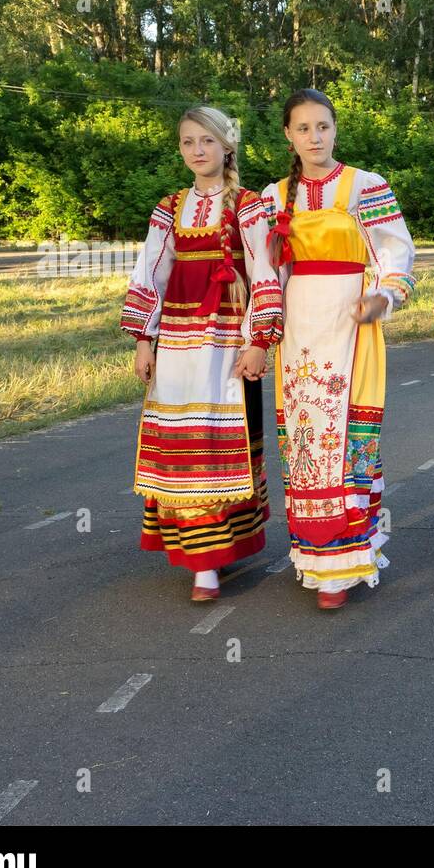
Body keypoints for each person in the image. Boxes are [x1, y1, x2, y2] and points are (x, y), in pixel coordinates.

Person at [260, 88, 415, 610]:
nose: (314, 137)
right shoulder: (274, 194)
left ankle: (346, 560)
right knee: (307, 443)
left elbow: (396, 251)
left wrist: (385, 296)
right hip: (297, 332)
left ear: (335, 129)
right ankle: (314, 553)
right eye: (303, 128)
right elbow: (264, 274)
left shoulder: (364, 185)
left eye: (322, 126)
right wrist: (256, 336)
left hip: (351, 325)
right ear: (288, 134)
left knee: (346, 440)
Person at [121, 106, 282, 602]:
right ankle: (198, 558)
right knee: (180, 440)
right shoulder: (169, 207)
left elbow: (265, 274)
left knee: (221, 437)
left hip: (227, 342)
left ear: (226, 147)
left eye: (207, 141)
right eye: (189, 142)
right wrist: (143, 339)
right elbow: (151, 271)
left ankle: (215, 558)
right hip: (176, 343)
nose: (198, 150)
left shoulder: (250, 206)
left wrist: (259, 340)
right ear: (180, 149)